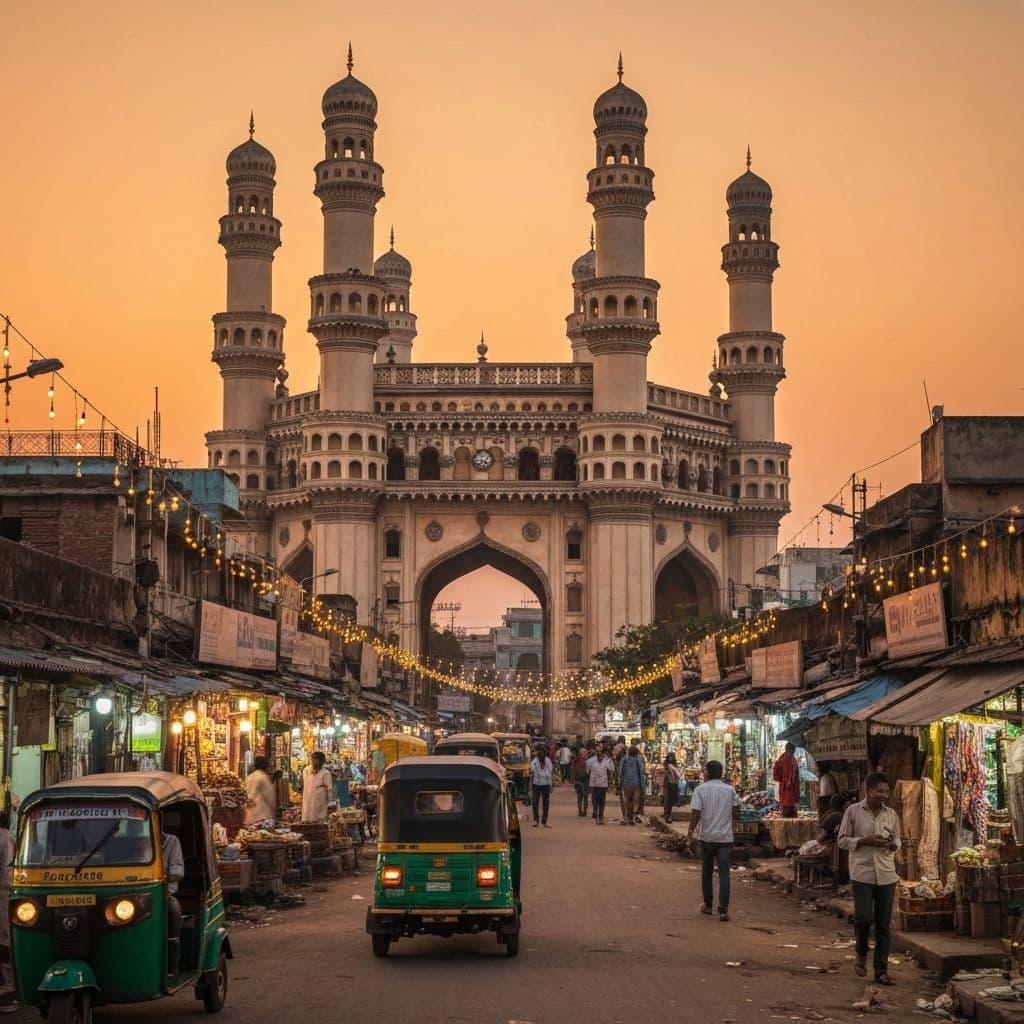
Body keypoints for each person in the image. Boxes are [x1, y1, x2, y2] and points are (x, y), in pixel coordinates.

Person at [837, 772, 901, 986]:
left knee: (884, 924)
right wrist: (864, 841)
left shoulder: (891, 814)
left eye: (886, 791)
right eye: (880, 791)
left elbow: (897, 839)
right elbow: (842, 841)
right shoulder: (853, 812)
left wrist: (893, 844)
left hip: (886, 873)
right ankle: (861, 953)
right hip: (862, 873)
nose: (884, 795)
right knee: (864, 918)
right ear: (869, 791)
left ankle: (881, 969)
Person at [687, 760, 741, 922]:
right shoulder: (730, 790)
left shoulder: (700, 790)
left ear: (707, 773)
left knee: (707, 871)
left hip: (707, 836)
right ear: (721, 773)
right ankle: (723, 910)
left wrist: (690, 834)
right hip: (725, 838)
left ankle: (708, 905)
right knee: (724, 873)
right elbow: (737, 812)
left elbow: (695, 813)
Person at [161, 822, 185, 978]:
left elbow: (178, 872)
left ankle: (172, 967)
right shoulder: (127, 842)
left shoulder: (171, 841)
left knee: (173, 913)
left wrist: (161, 879)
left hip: (164, 894)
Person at [0, 811, 16, 1012]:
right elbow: (9, 868)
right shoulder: (7, 838)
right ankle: (9, 986)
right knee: (5, 940)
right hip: (4, 890)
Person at [301, 751, 334, 822]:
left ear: (322, 761)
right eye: (313, 759)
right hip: (308, 800)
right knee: (307, 820)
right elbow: (306, 784)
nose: (314, 761)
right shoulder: (306, 770)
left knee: (320, 821)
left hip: (320, 802)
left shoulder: (326, 773)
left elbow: (329, 789)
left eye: (317, 760)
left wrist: (330, 802)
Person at [618, 745, 646, 825]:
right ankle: (634, 815)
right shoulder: (639, 759)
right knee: (635, 801)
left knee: (627, 800)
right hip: (636, 784)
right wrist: (643, 784)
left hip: (626, 783)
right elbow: (641, 772)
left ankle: (628, 816)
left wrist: (620, 781)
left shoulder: (624, 760)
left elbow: (621, 772)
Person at [245, 756, 276, 825]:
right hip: (262, 816)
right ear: (265, 766)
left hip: (250, 816)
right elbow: (270, 797)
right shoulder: (263, 777)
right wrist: (274, 809)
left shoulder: (249, 777)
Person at [773, 742, 801, 818]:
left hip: (785, 792)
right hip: (789, 792)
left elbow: (776, 777)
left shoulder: (781, 759)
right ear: (791, 749)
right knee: (789, 816)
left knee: (788, 815)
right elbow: (794, 777)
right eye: (794, 749)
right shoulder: (791, 760)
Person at [530, 745, 554, 827]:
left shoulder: (548, 761)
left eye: (540, 752)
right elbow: (532, 770)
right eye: (538, 752)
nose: (539, 754)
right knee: (535, 803)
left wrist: (550, 785)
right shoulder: (534, 762)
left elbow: (550, 772)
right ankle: (536, 820)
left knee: (545, 804)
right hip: (536, 785)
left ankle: (544, 821)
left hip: (545, 785)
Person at [572, 745, 590, 816]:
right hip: (583, 781)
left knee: (581, 797)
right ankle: (582, 811)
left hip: (582, 781)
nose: (584, 754)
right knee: (584, 797)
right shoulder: (586, 761)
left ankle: (582, 811)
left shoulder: (578, 761)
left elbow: (573, 771)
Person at [662, 753, 681, 822]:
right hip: (669, 784)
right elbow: (678, 776)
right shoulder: (669, 766)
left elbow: (678, 776)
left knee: (668, 800)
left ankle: (667, 815)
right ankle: (667, 815)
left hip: (671, 784)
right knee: (668, 801)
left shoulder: (668, 766)